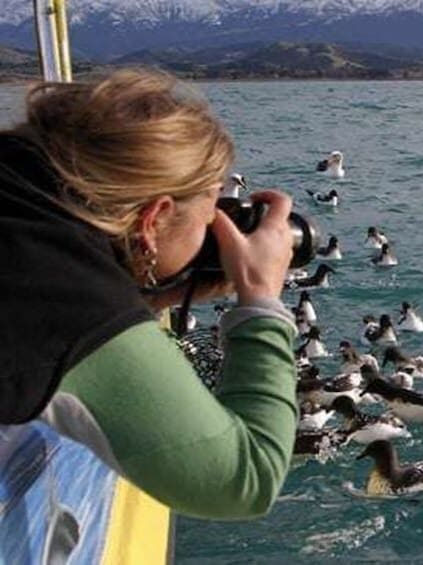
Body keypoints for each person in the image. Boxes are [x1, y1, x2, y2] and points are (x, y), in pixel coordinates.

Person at [0, 69, 298, 519]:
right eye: (209, 214)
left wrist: (147, 298)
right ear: (154, 216)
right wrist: (260, 301)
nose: (217, 227)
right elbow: (243, 483)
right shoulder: (69, 299)